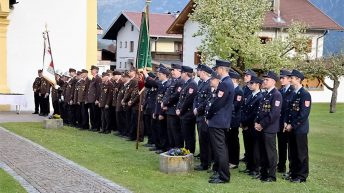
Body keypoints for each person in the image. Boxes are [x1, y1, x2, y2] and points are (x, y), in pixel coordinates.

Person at [205, 60, 234, 184]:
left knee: (220, 149)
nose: (216, 71)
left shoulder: (225, 83)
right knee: (220, 149)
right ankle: (220, 173)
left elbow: (218, 103)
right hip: (221, 120)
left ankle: (224, 176)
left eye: (217, 69)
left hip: (218, 120)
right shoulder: (227, 82)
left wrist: (209, 114)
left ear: (222, 69)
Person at [254, 71, 282, 182]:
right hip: (261, 128)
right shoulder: (266, 93)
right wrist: (256, 122)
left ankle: (271, 175)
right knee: (263, 152)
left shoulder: (276, 95)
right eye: (264, 79)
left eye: (267, 80)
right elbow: (260, 111)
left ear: (274, 82)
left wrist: (261, 124)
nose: (264, 81)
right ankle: (263, 173)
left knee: (270, 153)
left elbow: (274, 114)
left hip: (269, 128)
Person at [284, 69, 311, 183]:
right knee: (292, 153)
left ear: (298, 80)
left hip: (299, 129)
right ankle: (293, 173)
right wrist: (286, 122)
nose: (290, 80)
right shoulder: (294, 93)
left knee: (301, 153)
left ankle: (301, 176)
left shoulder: (305, 94)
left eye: (292, 78)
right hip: (290, 128)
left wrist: (292, 125)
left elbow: (304, 114)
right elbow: (288, 110)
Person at [240, 76, 263, 178]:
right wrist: (242, 122)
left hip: (252, 126)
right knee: (248, 147)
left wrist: (245, 123)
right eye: (249, 83)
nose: (249, 85)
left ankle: (255, 168)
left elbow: (255, 114)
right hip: (246, 126)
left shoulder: (260, 97)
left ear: (257, 84)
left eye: (251, 83)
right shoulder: (250, 96)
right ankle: (249, 166)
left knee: (255, 148)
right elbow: (244, 110)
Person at [193, 64, 213, 171]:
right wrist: (194, 108)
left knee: (205, 140)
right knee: (201, 139)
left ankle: (206, 163)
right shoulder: (202, 83)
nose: (197, 72)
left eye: (199, 71)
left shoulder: (210, 84)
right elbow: (196, 97)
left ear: (204, 72)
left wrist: (198, 109)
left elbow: (208, 101)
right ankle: (203, 161)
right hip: (199, 115)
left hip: (204, 116)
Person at [162, 63, 184, 149]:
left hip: (174, 110)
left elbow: (176, 95)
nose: (172, 72)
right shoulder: (173, 81)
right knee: (170, 131)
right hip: (169, 110)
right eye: (171, 70)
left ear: (179, 71)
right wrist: (164, 101)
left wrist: (165, 103)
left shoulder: (181, 81)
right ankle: (171, 148)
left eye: (173, 70)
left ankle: (177, 148)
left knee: (176, 132)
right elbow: (167, 93)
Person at [176, 65, 198, 154]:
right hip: (183, 113)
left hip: (188, 114)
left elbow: (188, 100)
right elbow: (181, 99)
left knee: (189, 135)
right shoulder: (186, 83)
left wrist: (180, 110)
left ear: (186, 73)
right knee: (185, 134)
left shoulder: (192, 84)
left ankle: (190, 151)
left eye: (182, 72)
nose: (180, 74)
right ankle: (186, 149)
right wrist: (178, 108)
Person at [277, 70, 294, 173]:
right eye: (280, 78)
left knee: (291, 148)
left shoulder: (292, 91)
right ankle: (281, 165)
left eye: (283, 78)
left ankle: (291, 168)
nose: (281, 80)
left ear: (289, 79)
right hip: (280, 123)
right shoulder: (280, 91)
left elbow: (290, 109)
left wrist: (288, 122)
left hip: (288, 123)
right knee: (281, 145)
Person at [227, 71, 244, 169]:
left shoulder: (239, 91)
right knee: (229, 140)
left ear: (234, 79)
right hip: (229, 118)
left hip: (234, 120)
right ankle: (229, 159)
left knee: (233, 140)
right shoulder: (232, 89)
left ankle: (234, 161)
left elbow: (236, 106)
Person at [241, 69, 257, 163]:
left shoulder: (252, 90)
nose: (245, 77)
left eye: (247, 76)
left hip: (251, 121)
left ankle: (251, 158)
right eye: (245, 75)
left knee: (252, 141)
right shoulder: (244, 88)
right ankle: (247, 156)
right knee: (246, 139)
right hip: (244, 118)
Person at [141, 71, 158, 147]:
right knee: (148, 126)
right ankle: (150, 141)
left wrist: (146, 75)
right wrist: (143, 105)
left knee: (153, 126)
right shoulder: (150, 87)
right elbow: (145, 85)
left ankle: (153, 141)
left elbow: (151, 83)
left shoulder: (156, 84)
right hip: (147, 108)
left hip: (153, 108)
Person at [86, 65, 102, 132]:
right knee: (92, 114)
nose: (91, 71)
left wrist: (97, 99)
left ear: (95, 70)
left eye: (92, 70)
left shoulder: (98, 78)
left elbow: (98, 90)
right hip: (91, 99)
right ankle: (93, 126)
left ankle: (97, 127)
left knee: (96, 114)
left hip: (94, 99)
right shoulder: (93, 78)